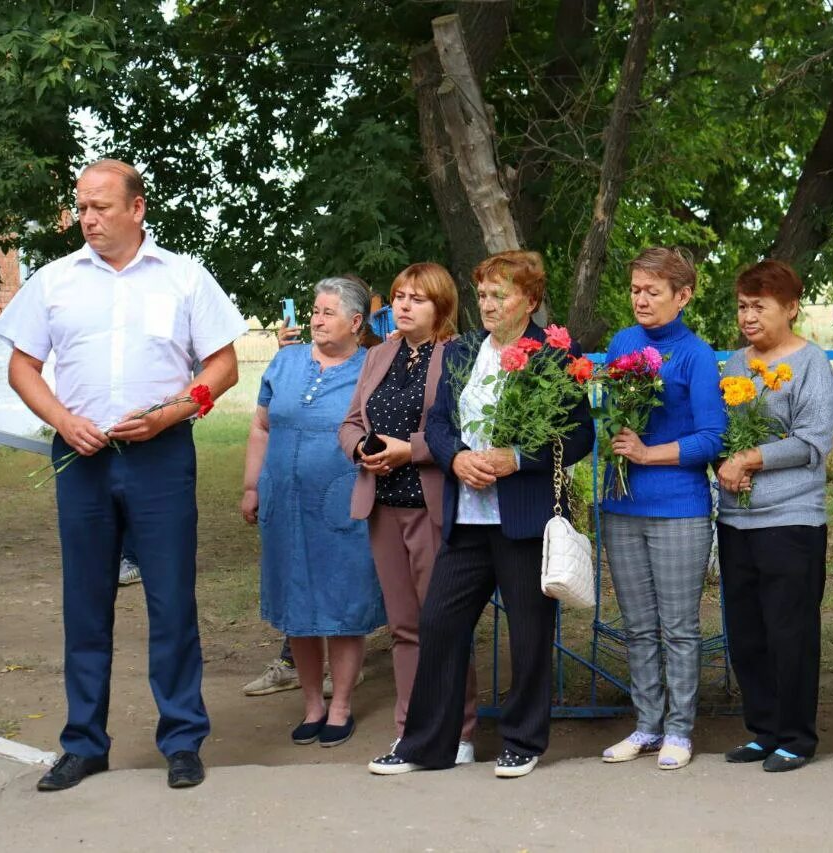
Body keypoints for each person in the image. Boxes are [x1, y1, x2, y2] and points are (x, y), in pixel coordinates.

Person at [0, 159, 245, 791]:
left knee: (170, 601)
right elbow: (22, 368)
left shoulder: (183, 278)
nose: (88, 219)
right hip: (81, 458)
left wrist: (171, 414)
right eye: (82, 207)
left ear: (137, 209)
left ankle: (182, 740)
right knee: (84, 603)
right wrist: (61, 419)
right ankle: (83, 743)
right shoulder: (54, 281)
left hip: (160, 456)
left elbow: (223, 368)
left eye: (101, 207)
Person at [368, 250, 594, 778]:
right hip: (466, 517)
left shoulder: (554, 355)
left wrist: (516, 458)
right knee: (439, 623)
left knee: (529, 633)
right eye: (483, 294)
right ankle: (427, 744)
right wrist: (458, 457)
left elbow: (580, 433)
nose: (488, 304)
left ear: (531, 301)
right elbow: (441, 422)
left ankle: (523, 739)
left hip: (522, 518)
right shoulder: (464, 350)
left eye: (501, 294)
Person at [339, 262, 478, 764]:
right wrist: (362, 449)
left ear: (440, 305)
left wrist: (410, 450)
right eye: (398, 296)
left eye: (416, 298)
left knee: (443, 623)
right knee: (403, 628)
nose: (402, 305)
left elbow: (466, 430)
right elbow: (352, 421)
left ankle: (459, 732)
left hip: (433, 507)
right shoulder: (378, 355)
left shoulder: (459, 354)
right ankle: (409, 727)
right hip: (383, 506)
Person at [241, 277, 385, 748]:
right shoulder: (285, 362)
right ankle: (312, 706)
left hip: (341, 504)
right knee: (296, 604)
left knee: (342, 603)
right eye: (315, 311)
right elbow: (262, 427)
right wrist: (250, 485)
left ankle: (340, 705)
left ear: (356, 322)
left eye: (327, 312)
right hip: (283, 504)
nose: (316, 320)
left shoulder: (372, 367)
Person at [596, 248, 726, 770]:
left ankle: (679, 729)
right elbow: (608, 414)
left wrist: (650, 454)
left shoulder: (696, 354)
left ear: (683, 295)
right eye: (635, 290)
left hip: (678, 508)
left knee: (677, 626)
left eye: (652, 290)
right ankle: (646, 725)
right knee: (638, 625)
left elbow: (713, 437)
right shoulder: (623, 344)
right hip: (622, 502)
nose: (641, 299)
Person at [716, 260, 833, 773]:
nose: (748, 316)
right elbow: (718, 434)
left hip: (791, 519)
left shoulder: (812, 365)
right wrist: (727, 462)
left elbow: (813, 440)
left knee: (790, 631)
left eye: (759, 306)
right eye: (743, 306)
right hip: (736, 518)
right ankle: (763, 730)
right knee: (747, 632)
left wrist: (749, 459)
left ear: (791, 308)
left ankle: (796, 736)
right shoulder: (731, 366)